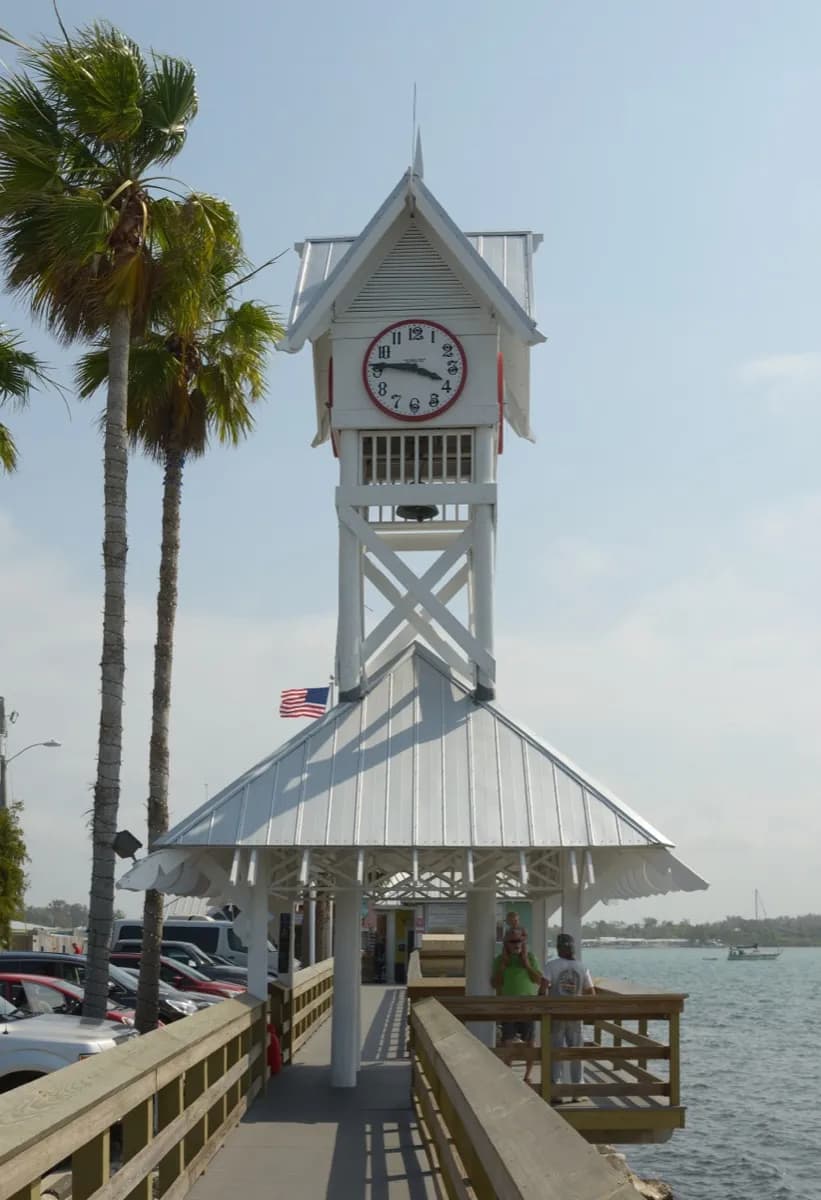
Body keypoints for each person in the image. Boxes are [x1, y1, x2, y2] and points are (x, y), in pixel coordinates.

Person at [541, 932, 594, 1102]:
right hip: (575, 1015)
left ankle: (555, 1090)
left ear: (558, 948)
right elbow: (591, 993)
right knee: (576, 1052)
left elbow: (542, 990)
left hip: (556, 1014)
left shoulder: (551, 966)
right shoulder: (582, 966)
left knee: (555, 1051)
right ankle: (578, 1090)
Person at [491, 926, 542, 1084]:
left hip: (528, 1005)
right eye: (513, 941)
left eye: (519, 940)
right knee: (507, 1041)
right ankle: (508, 1074)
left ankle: (527, 1076)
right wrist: (503, 966)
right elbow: (494, 983)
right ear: (506, 943)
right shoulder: (500, 959)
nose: (516, 944)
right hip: (508, 1005)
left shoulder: (531, 957)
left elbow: (538, 980)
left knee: (530, 1042)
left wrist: (526, 963)